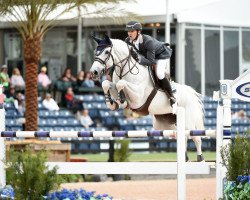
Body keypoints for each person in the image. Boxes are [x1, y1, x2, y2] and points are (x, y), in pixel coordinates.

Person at [124, 21, 176, 106]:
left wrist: (138, 59)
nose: (129, 33)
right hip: (147, 56)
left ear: (138, 32)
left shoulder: (148, 41)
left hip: (160, 55)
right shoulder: (127, 41)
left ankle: (171, 96)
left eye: (132, 31)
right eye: (128, 31)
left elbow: (151, 61)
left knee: (159, 73)